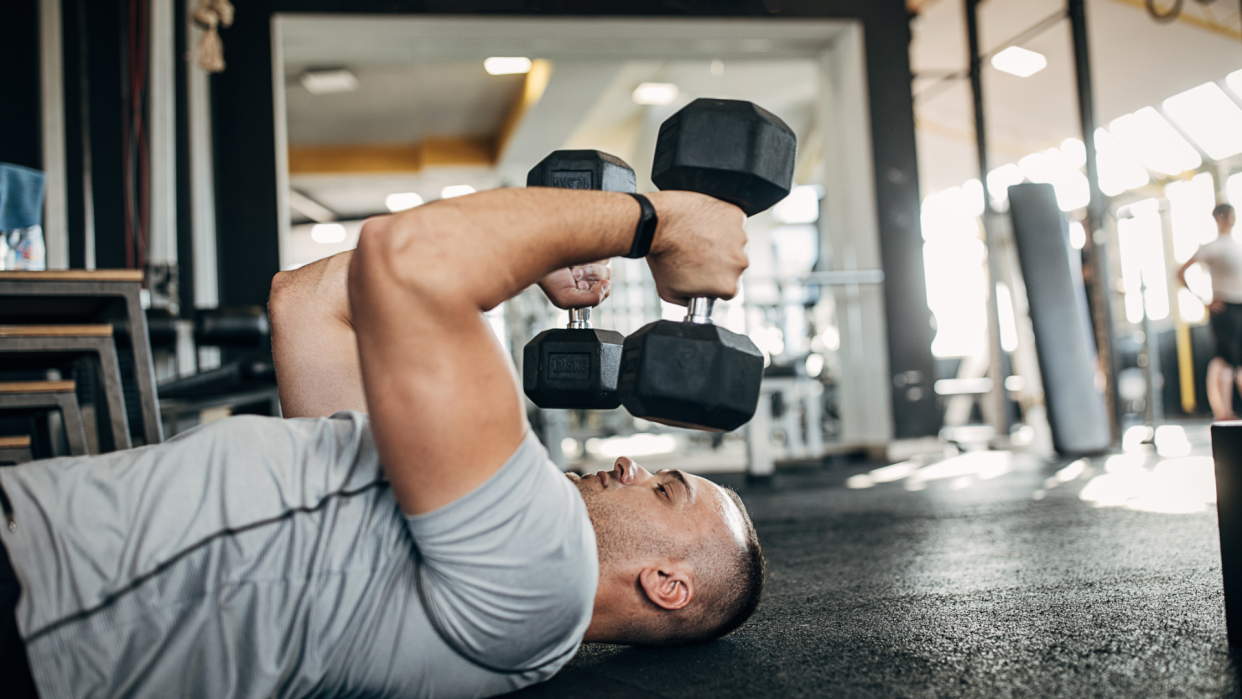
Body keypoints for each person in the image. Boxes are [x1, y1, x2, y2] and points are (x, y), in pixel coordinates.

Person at [0, 187, 766, 698]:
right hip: (44, 546)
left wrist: (651, 221)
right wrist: (519, 259)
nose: (632, 463)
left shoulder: (547, 569)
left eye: (665, 488)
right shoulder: (468, 532)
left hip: (45, 599)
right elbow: (304, 301)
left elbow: (411, 262)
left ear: (667, 583)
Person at [1177, 203, 1241, 419]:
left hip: (1239, 307)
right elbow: (1181, 272)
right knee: (1225, 360)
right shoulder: (1212, 247)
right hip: (1224, 308)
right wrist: (1204, 301)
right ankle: (1224, 411)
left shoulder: (1236, 246)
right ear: (1220, 218)